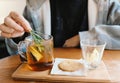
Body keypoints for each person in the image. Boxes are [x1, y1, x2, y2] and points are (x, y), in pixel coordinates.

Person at [0, 0, 88, 55]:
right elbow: (20, 52)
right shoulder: (34, 5)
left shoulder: (101, 4)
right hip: (46, 71)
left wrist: (83, 37)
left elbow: (102, 34)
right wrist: (18, 37)